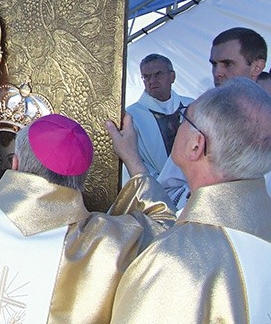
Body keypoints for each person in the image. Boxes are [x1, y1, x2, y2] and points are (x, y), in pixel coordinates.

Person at [0, 56, 176, 323]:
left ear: (16, 162)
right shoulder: (107, 246)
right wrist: (134, 162)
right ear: (81, 179)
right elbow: (166, 230)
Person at [110, 78, 271, 322]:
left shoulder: (173, 264)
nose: (177, 125)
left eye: (185, 118)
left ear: (197, 145)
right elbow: (171, 220)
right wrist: (134, 162)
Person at [158, 27, 268, 206]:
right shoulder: (199, 118)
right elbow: (168, 187)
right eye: (214, 64)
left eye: (227, 64)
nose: (217, 72)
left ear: (257, 66)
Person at [126, 54, 193, 178]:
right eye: (146, 77)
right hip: (158, 186)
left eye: (158, 74)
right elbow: (134, 158)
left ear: (172, 76)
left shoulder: (192, 106)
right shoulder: (132, 116)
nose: (152, 81)